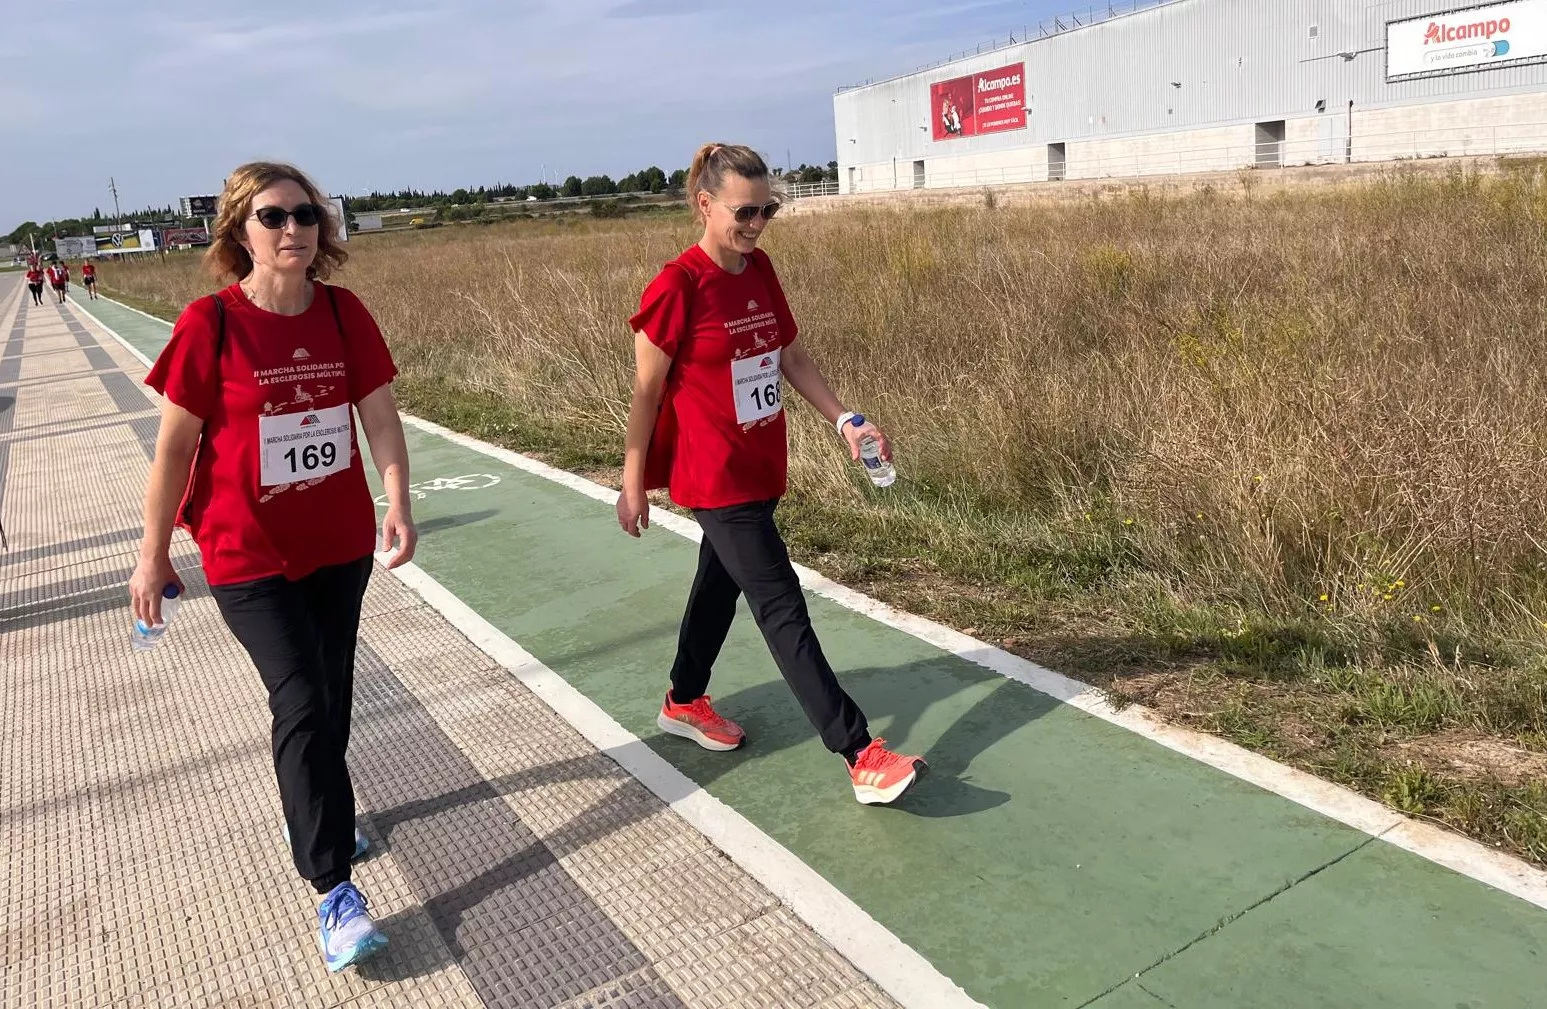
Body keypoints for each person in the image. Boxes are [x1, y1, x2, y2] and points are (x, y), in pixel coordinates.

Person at [128, 162, 417, 973]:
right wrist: (152, 555)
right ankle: (332, 889)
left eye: (305, 216)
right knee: (298, 698)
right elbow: (174, 449)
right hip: (246, 555)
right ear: (239, 233)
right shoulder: (209, 325)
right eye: (272, 217)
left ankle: (322, 805)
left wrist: (397, 499)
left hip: (337, 544)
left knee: (332, 690)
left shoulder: (342, 314)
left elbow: (381, 423)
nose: (292, 230)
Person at [617, 143, 926, 806]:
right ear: (704, 204)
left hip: (759, 462)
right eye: (744, 211)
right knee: (779, 601)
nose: (757, 222)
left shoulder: (758, 271)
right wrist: (633, 477)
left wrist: (846, 419)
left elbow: (790, 354)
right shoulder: (677, 286)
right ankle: (859, 751)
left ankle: (683, 699)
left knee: (717, 585)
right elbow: (646, 391)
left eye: (768, 210)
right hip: (713, 475)